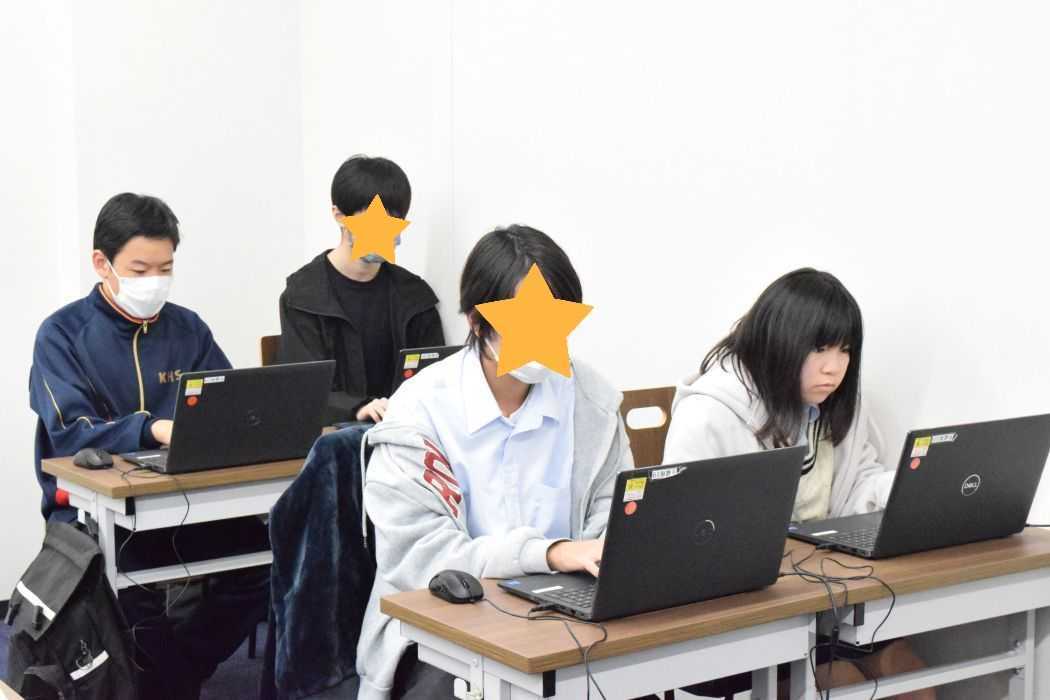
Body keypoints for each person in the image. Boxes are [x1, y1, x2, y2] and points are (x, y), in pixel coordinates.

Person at [354, 225, 634, 699]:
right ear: (476, 321)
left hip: (563, 616)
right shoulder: (419, 411)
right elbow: (420, 558)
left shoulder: (590, 400)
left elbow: (615, 518)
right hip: (443, 630)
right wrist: (548, 553)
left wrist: (590, 558)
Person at [29, 193, 269, 700]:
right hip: (95, 515)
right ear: (102, 263)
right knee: (129, 594)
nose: (154, 281)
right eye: (140, 270)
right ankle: (172, 682)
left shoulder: (188, 328)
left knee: (263, 562)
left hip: (187, 504)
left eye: (166, 268)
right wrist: (152, 428)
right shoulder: (62, 334)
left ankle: (174, 678)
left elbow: (230, 408)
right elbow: (71, 432)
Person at [664, 268, 933, 699]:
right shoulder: (709, 414)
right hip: (742, 614)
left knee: (907, 672)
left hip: (825, 598)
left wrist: (907, 490)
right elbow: (681, 535)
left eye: (845, 350)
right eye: (819, 348)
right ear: (777, 342)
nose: (834, 367)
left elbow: (856, 485)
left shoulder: (834, 405)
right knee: (840, 682)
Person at [278, 155, 444, 424]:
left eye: (393, 220)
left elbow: (437, 377)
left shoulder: (415, 297)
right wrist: (358, 408)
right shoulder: (303, 295)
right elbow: (303, 386)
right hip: (336, 432)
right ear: (339, 216)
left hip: (404, 429)